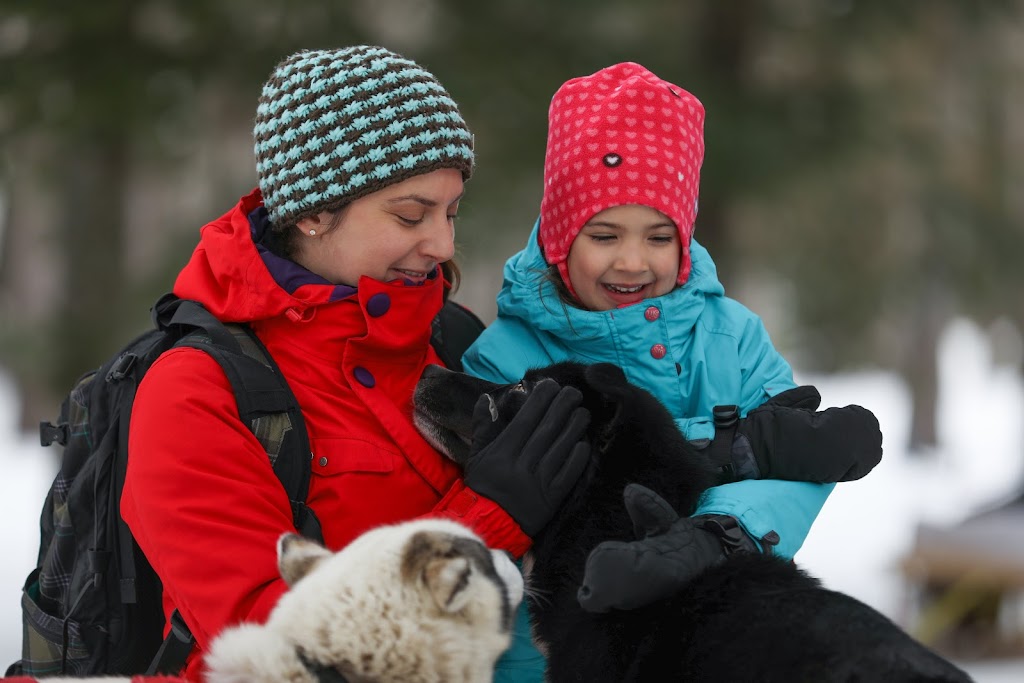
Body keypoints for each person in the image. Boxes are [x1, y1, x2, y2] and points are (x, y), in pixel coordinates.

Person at [120, 45, 592, 681]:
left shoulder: (449, 336)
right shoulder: (198, 391)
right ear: (314, 212)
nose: (444, 244)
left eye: (451, 212)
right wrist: (485, 523)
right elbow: (287, 651)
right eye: (410, 214)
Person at [462, 62, 883, 679]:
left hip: (704, 641)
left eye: (659, 237)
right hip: (543, 660)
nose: (634, 261)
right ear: (560, 238)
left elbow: (797, 470)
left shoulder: (731, 336)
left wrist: (718, 535)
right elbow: (527, 497)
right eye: (604, 235)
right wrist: (728, 448)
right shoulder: (505, 357)